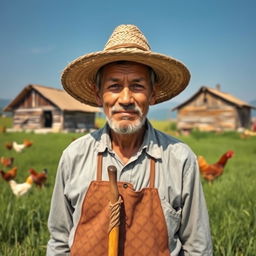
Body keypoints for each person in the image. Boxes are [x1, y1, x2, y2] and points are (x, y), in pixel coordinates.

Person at [47, 24, 212, 256]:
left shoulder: (179, 158)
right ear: (98, 95)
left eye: (137, 86)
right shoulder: (74, 156)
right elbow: (59, 241)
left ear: (152, 94)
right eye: (114, 86)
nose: (125, 99)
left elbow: (198, 247)